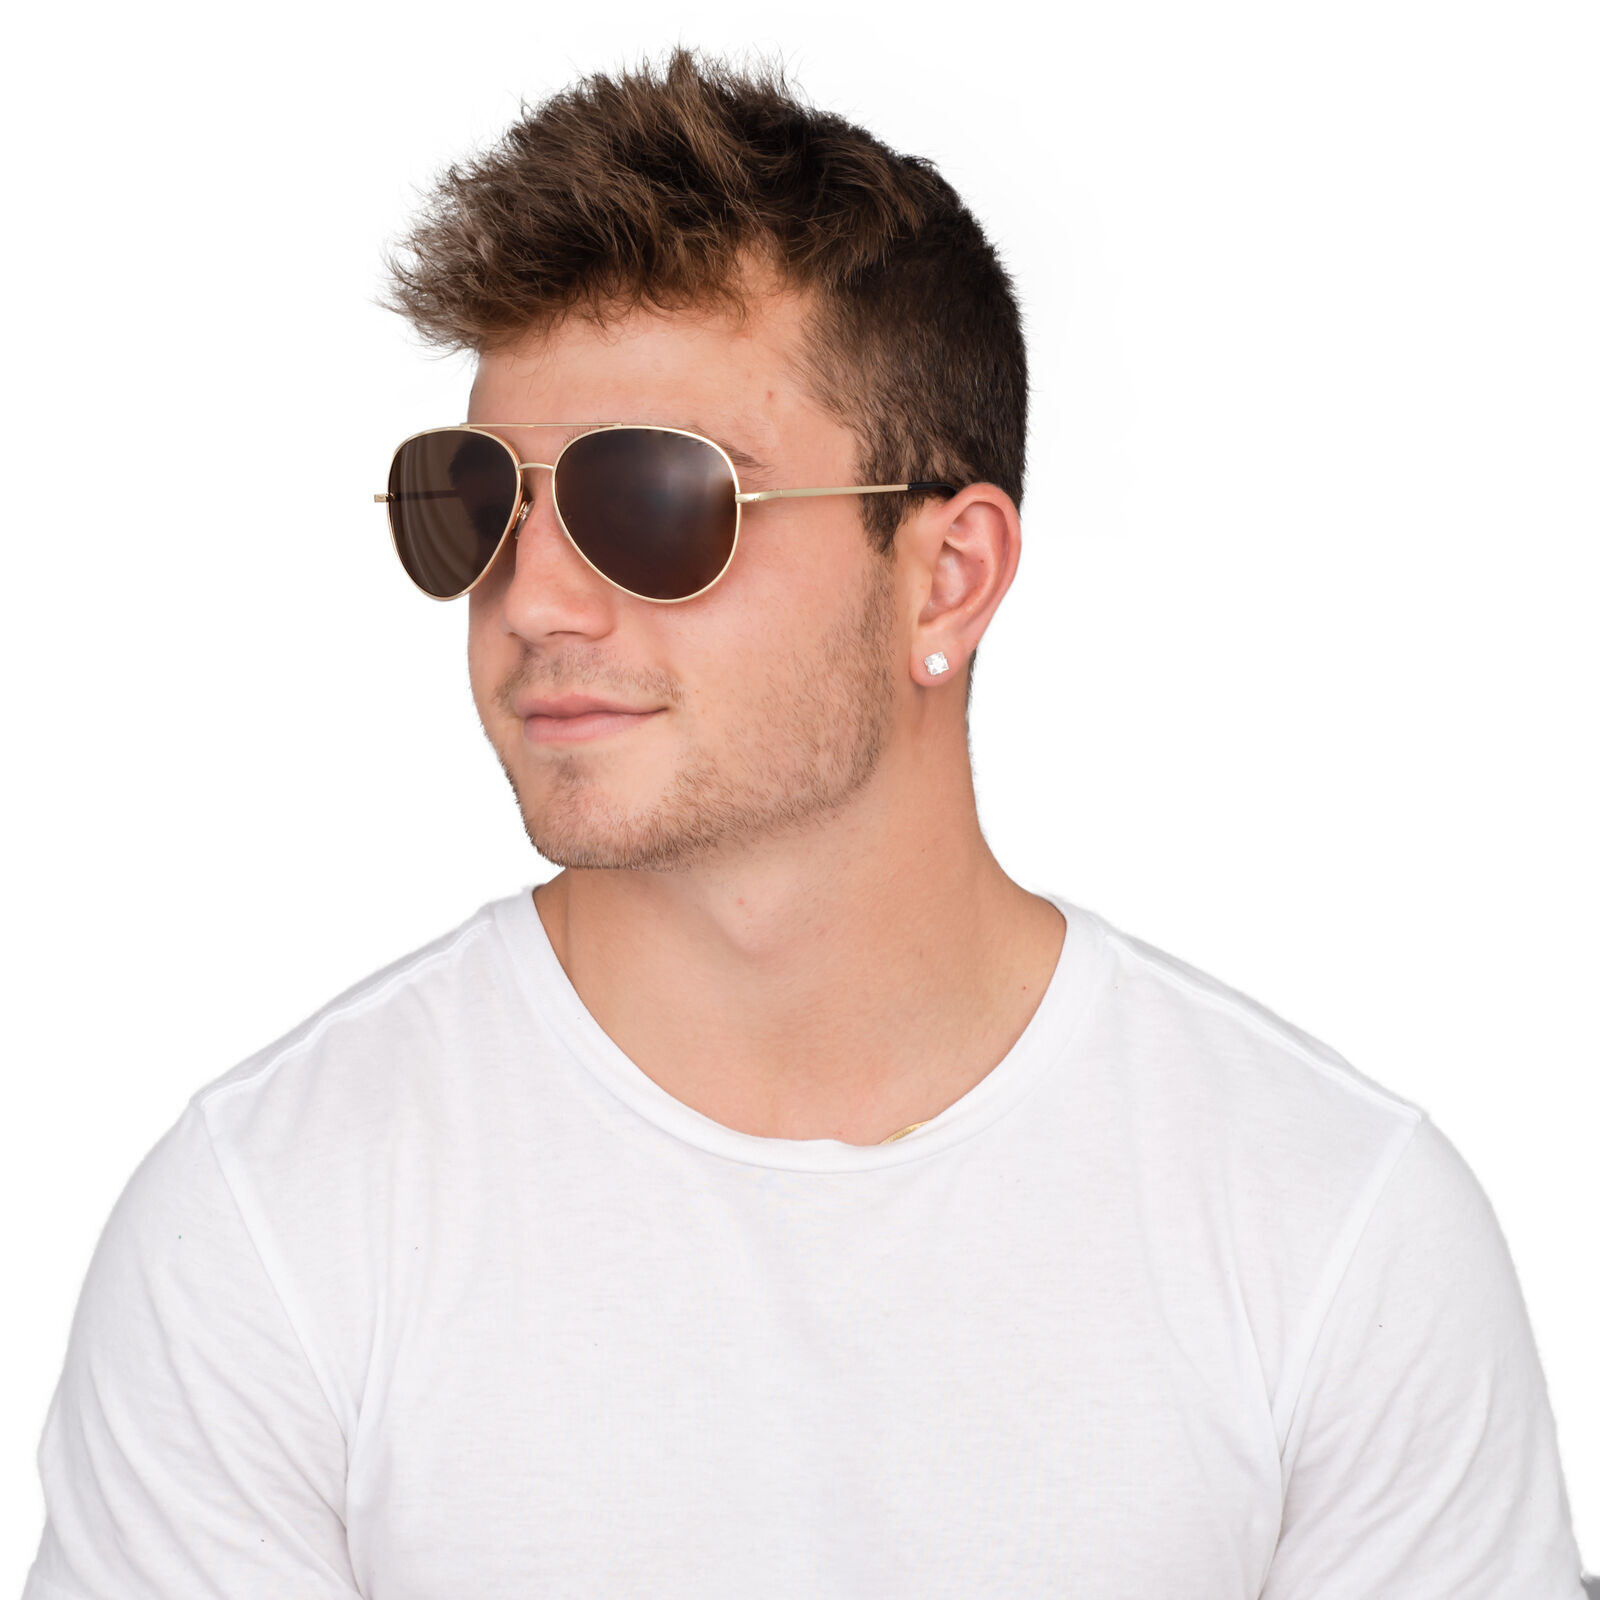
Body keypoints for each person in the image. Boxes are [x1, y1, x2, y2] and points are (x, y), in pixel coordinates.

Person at [22, 45, 1589, 1600]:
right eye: (478, 501)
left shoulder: (1332, 1230)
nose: (535, 600)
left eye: (654, 501)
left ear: (947, 576)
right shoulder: (270, 1224)